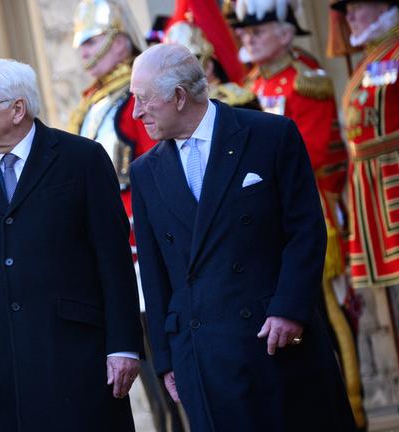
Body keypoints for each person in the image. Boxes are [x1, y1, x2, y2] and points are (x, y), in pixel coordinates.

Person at [129, 43, 356, 431]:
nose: (136, 112)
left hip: (277, 343)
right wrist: (168, 360)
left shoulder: (270, 134)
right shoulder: (145, 171)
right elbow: (154, 274)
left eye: (143, 100)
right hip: (203, 360)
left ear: (179, 97)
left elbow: (305, 230)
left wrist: (288, 308)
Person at [0, 58, 143, 431]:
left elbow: (114, 259)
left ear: (18, 109)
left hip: (82, 362)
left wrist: (124, 345)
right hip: (0, 376)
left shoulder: (83, 159)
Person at [231, 0, 366, 426]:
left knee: (326, 306)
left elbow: (307, 158)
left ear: (286, 34)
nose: (247, 38)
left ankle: (353, 406)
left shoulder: (306, 80)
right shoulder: (247, 85)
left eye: (259, 30)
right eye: (244, 32)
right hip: (263, 216)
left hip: (312, 209)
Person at [67, 2, 183, 431]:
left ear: (119, 41)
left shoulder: (136, 99)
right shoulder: (92, 105)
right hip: (115, 257)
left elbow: (157, 175)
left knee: (172, 368)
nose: (82, 53)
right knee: (149, 374)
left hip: (146, 249)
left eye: (92, 41)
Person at [331, 0, 399, 301]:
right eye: (346, 12)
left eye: (357, 7)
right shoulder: (371, 57)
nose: (350, 17)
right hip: (373, 181)